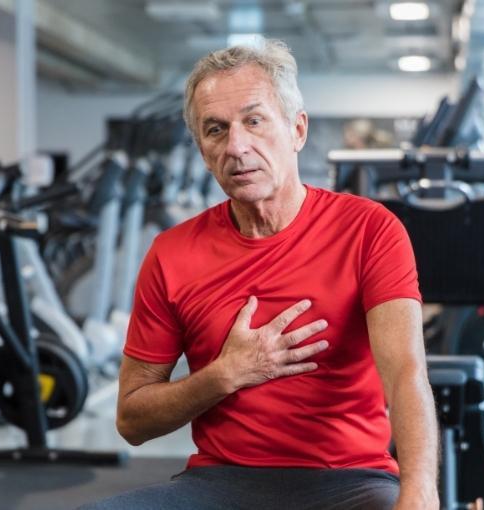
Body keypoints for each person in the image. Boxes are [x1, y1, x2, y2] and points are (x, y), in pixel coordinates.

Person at [84, 39, 438, 510]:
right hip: (219, 484)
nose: (236, 146)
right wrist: (224, 375)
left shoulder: (370, 230)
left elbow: (406, 372)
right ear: (203, 151)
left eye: (254, 121)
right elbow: (132, 419)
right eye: (216, 129)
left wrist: (420, 492)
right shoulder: (171, 254)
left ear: (297, 130)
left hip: (349, 481)